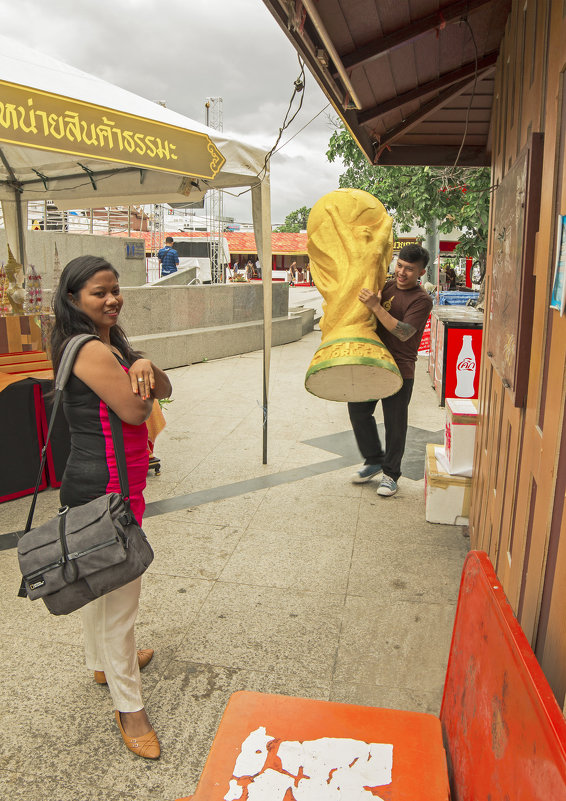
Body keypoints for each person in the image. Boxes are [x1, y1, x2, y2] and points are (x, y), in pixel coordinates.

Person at [51, 255, 172, 759]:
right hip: (109, 491)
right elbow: (135, 408)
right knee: (121, 601)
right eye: (100, 292)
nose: (112, 298)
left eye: (116, 289)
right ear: (74, 298)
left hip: (97, 483)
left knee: (97, 581)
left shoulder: (99, 344)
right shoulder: (93, 352)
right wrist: (138, 370)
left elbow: (162, 388)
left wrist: (143, 363)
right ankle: (129, 707)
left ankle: (101, 665)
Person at [349, 243, 433, 497]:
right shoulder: (386, 287)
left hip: (399, 368)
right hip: (373, 362)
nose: (402, 272)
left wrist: (376, 306)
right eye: (399, 265)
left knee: (395, 424)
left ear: (421, 272)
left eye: (409, 269)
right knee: (357, 410)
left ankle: (390, 474)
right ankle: (374, 459)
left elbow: (405, 333)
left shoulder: (422, 299)